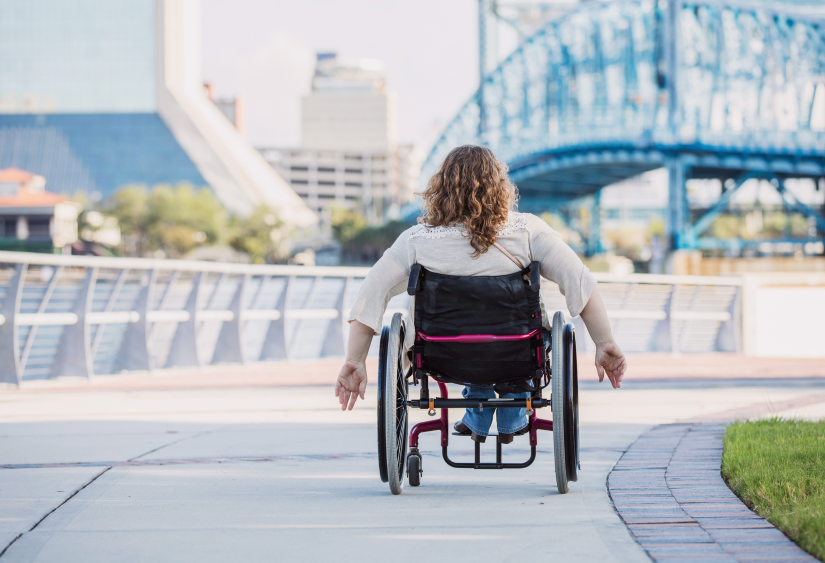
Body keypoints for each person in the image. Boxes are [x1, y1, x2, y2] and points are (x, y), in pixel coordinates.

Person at [334, 145, 627, 443]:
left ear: (441, 188)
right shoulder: (529, 231)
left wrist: (355, 359)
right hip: (518, 352)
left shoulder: (417, 240)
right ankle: (513, 405)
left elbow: (371, 292)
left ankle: (479, 401)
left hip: (441, 355)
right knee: (538, 332)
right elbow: (580, 281)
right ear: (501, 187)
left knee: (452, 338)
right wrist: (604, 342)